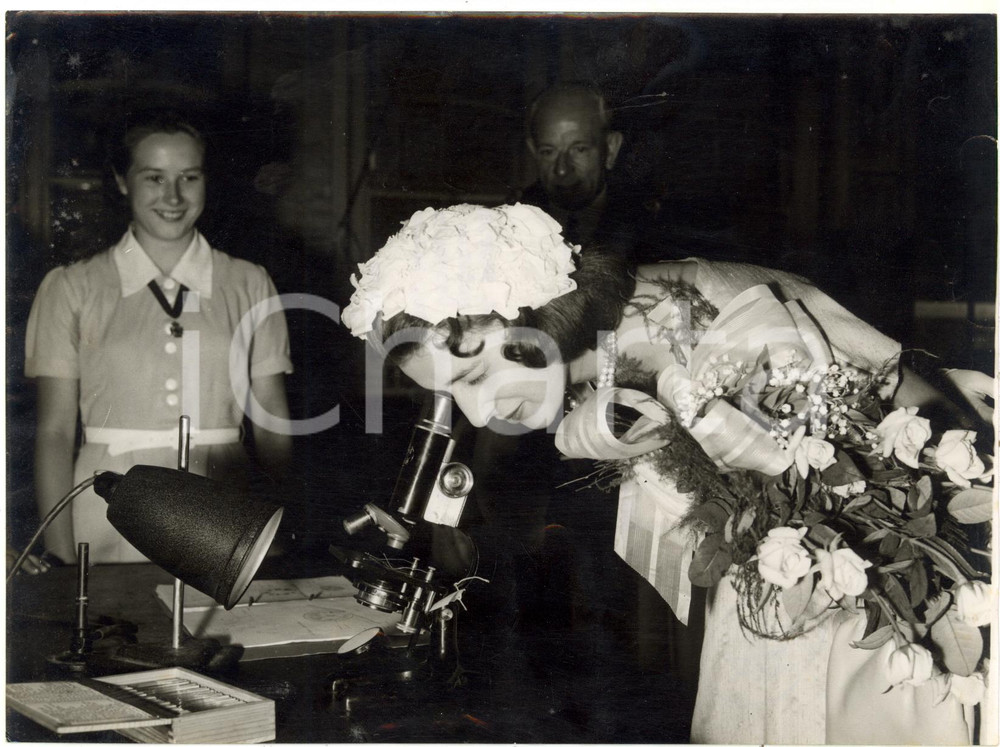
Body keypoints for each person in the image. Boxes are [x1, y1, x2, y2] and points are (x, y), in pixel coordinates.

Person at [342, 203, 993, 744]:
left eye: (475, 376)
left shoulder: (699, 315)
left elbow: (872, 461)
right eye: (451, 394)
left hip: (869, 610)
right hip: (777, 597)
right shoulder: (589, 346)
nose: (478, 411)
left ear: (528, 316)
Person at [24, 109, 293, 565]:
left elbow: (272, 426)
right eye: (154, 177)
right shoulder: (71, 287)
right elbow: (53, 432)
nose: (173, 196)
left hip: (226, 516)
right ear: (122, 181)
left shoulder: (249, 282)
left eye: (189, 177)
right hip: (106, 514)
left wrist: (282, 531)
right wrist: (60, 555)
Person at [520, 82, 672, 263]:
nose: (562, 169)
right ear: (533, 151)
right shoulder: (511, 221)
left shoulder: (652, 225)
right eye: (548, 151)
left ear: (610, 149)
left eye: (580, 149)